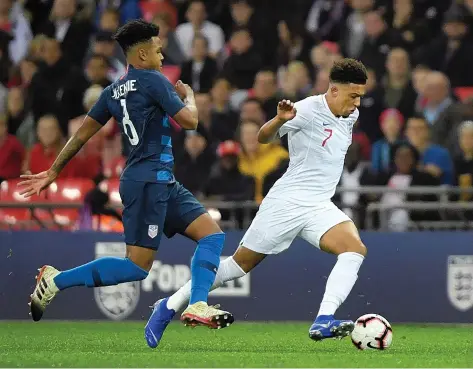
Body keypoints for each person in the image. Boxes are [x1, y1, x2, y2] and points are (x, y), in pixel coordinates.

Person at [18, 19, 233, 343]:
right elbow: (190, 122)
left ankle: (198, 304)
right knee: (136, 267)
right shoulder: (154, 80)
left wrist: (54, 171)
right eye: (158, 50)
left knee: (212, 237)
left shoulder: (112, 91)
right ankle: (57, 279)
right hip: (148, 181)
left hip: (158, 180)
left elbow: (80, 135)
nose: (162, 55)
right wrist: (188, 97)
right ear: (143, 55)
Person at [145, 58, 368, 345]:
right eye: (353, 96)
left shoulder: (350, 114)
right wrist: (278, 120)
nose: (357, 103)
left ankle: (324, 319)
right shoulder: (307, 110)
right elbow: (264, 137)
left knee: (354, 249)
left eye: (360, 96)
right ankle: (168, 306)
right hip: (286, 202)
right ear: (334, 90)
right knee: (237, 266)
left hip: (319, 204)